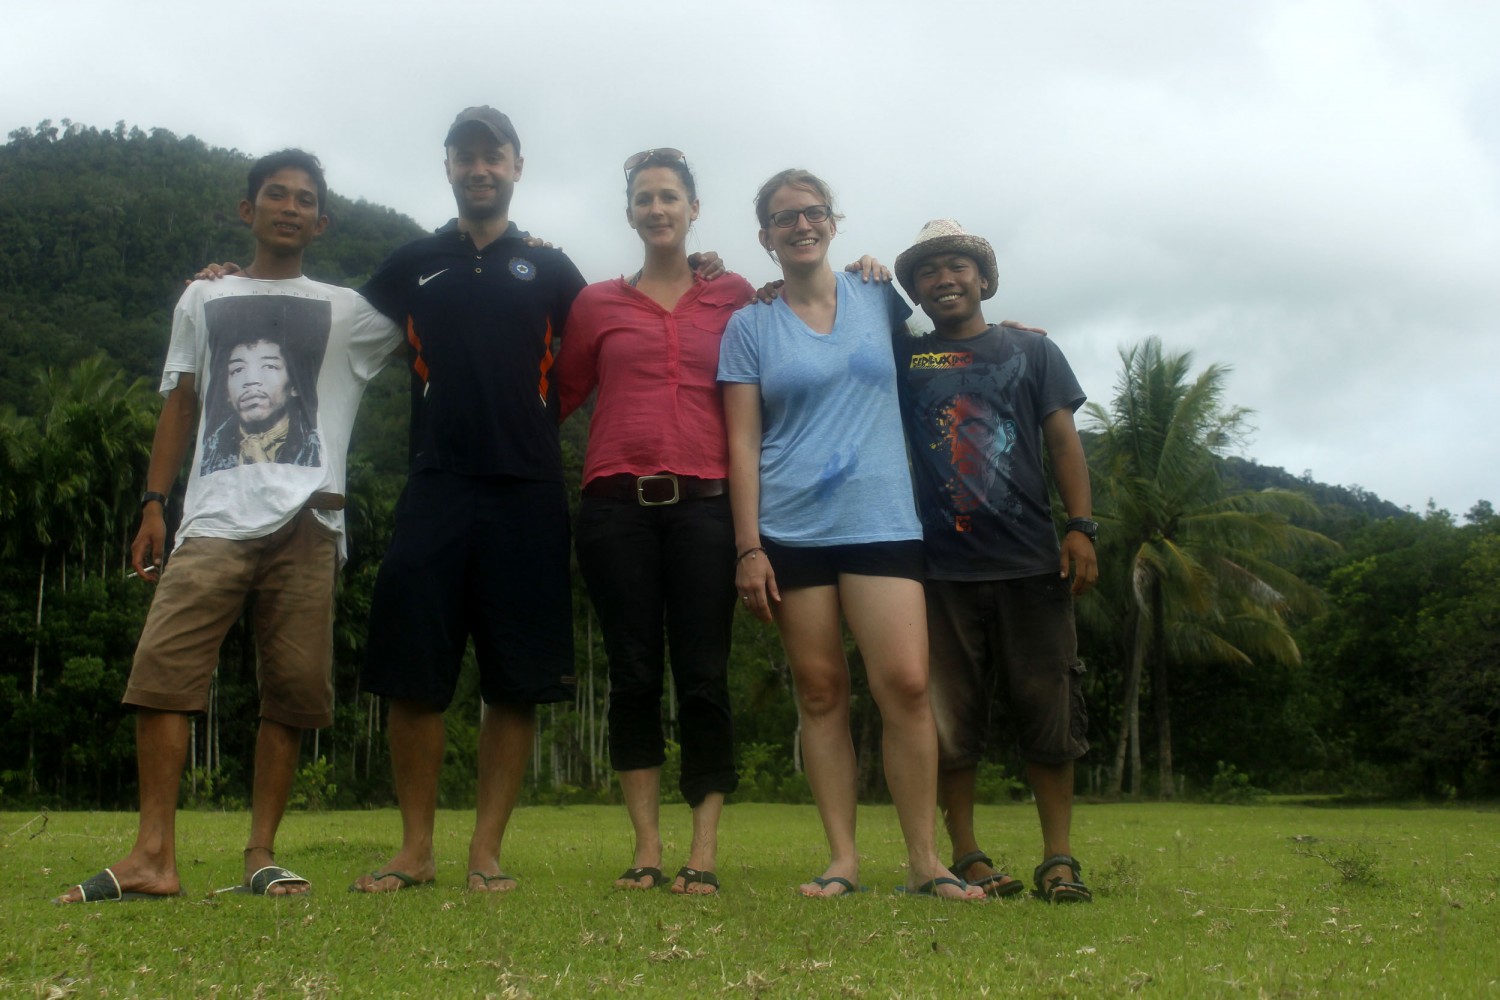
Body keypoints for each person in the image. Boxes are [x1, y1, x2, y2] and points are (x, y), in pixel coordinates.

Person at [55, 149, 401, 902]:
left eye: (304, 199)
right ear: (248, 210)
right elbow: (180, 402)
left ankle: (260, 855)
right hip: (212, 516)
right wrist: (153, 502)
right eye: (275, 194)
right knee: (162, 672)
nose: (289, 207)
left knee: (292, 691)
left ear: (321, 221)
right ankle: (153, 855)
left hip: (310, 518)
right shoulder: (202, 297)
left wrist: (521, 248)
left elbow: (443, 308)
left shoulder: (349, 309)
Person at [718, 170, 983, 900]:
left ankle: (925, 861)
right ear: (765, 237)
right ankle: (842, 858)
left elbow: (938, 354)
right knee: (820, 691)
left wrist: (1004, 338)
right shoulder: (749, 326)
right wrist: (749, 547)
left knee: (906, 685)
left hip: (882, 520)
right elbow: (742, 443)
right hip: (792, 526)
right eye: (784, 218)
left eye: (812, 213)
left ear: (833, 222)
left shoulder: (877, 294)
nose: (800, 226)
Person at [349, 107, 591, 894]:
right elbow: (332, 326)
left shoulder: (550, 267)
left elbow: (612, 335)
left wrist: (705, 270)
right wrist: (235, 283)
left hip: (528, 490)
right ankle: (414, 850)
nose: (479, 168)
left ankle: (485, 853)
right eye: (465, 156)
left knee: (514, 680)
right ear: (448, 167)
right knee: (412, 672)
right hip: (435, 485)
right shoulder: (413, 262)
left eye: (493, 155)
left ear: (517, 165)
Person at [555, 149, 754, 895]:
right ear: (631, 213)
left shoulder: (734, 294)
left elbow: (797, 329)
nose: (657, 208)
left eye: (670, 196)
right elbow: (556, 395)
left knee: (703, 676)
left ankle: (703, 849)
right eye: (644, 198)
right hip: (615, 510)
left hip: (707, 507)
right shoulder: (595, 304)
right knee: (633, 676)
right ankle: (645, 846)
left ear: (693, 208)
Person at [892, 219, 1099, 903]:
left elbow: (1063, 441)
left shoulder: (1033, 352)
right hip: (938, 571)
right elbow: (834, 322)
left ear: (984, 278)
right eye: (927, 271)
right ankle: (967, 855)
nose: (944, 279)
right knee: (949, 721)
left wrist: (1081, 527)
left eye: (957, 266)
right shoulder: (905, 357)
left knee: (1049, 709)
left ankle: (1059, 859)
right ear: (916, 290)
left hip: (1031, 564)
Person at [200, 332, 322, 474]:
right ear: (226, 391)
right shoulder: (211, 450)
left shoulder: (313, 446)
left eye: (269, 366)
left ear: (294, 384)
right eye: (238, 370)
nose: (251, 380)